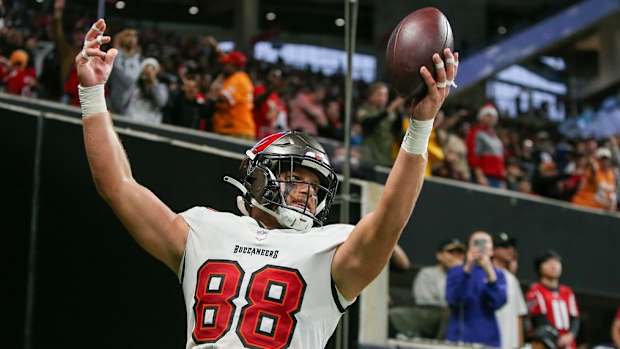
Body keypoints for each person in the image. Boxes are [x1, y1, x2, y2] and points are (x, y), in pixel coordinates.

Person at [76, 19, 459, 348]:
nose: (307, 192)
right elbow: (117, 185)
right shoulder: (205, 229)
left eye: (315, 185)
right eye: (295, 177)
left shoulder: (329, 248)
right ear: (257, 177)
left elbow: (390, 219)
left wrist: (421, 126)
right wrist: (92, 94)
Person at [446, 230, 507, 348]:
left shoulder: (499, 274)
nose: (481, 246)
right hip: (459, 338)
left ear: (492, 249)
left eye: (485, 242)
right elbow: (454, 300)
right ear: (468, 248)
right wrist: (468, 268)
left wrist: (489, 271)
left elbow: (498, 302)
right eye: (476, 242)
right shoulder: (456, 271)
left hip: (488, 339)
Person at [410, 238, 465, 338]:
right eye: (451, 252)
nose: (456, 256)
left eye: (460, 253)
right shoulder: (428, 273)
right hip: (431, 318)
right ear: (439, 255)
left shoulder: (467, 276)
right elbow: (424, 303)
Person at [526, 251, 580, 349]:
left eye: (557, 262)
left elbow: (575, 318)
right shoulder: (535, 292)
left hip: (568, 345)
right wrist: (556, 339)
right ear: (539, 267)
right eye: (548, 262)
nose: (554, 265)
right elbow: (540, 321)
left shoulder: (567, 292)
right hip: (546, 344)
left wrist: (571, 335)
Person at [493, 232, 527, 349]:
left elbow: (519, 315)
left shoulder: (512, 279)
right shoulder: (481, 273)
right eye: (504, 246)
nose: (510, 250)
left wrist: (520, 345)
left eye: (511, 247)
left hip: (509, 342)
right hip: (488, 340)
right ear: (492, 250)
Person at [357, 82, 404, 167]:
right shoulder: (365, 109)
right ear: (371, 96)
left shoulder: (391, 114)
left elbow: (398, 131)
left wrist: (399, 110)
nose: (383, 98)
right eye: (379, 94)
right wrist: (388, 110)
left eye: (385, 95)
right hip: (370, 158)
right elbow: (369, 123)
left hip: (387, 158)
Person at [211, 50, 255, 139]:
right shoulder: (238, 78)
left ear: (233, 65)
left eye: (227, 64)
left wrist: (213, 97)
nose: (224, 66)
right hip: (235, 130)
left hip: (237, 131)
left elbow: (223, 99)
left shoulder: (238, 79)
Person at [467, 103, 506, 188]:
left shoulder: (495, 136)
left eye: (494, 116)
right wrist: (480, 175)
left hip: (497, 178)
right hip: (485, 177)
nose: (492, 118)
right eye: (488, 115)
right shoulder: (476, 133)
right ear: (481, 116)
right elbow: (473, 155)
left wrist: (502, 178)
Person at [124, 57, 169, 125]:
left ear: (156, 72)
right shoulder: (135, 85)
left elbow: (161, 103)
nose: (149, 71)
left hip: (150, 124)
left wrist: (153, 83)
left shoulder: (161, 87)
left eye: (152, 69)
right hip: (132, 120)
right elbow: (125, 102)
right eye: (146, 67)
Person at [572, 147, 617, 211]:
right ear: (597, 160)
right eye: (602, 159)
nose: (604, 161)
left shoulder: (611, 174)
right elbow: (597, 191)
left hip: (598, 208)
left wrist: (612, 203)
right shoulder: (592, 171)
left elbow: (611, 192)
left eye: (606, 159)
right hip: (582, 204)